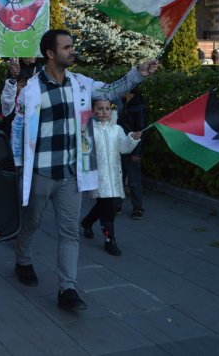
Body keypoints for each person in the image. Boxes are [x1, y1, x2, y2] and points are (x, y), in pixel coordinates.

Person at [10, 29, 158, 311]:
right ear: (50, 53)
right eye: (66, 47)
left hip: (70, 174)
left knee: (69, 232)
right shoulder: (31, 90)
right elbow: (17, 128)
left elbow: (111, 90)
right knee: (31, 223)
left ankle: (68, 289)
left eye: (72, 46)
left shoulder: (80, 83)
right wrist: (17, 164)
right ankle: (23, 260)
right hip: (40, 173)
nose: (72, 51)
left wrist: (138, 73)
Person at [80, 99, 141, 256]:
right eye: (100, 108)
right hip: (97, 176)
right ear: (93, 110)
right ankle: (110, 240)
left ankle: (87, 222)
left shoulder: (117, 129)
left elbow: (123, 149)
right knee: (108, 208)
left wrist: (132, 139)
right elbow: (84, 151)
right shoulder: (88, 129)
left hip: (113, 175)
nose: (104, 111)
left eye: (107, 108)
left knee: (104, 205)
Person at [117, 89, 147, 219]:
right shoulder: (124, 104)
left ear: (131, 92)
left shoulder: (139, 107)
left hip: (132, 148)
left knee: (134, 180)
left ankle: (137, 208)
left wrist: (137, 152)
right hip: (121, 146)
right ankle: (116, 206)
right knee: (119, 179)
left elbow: (141, 129)